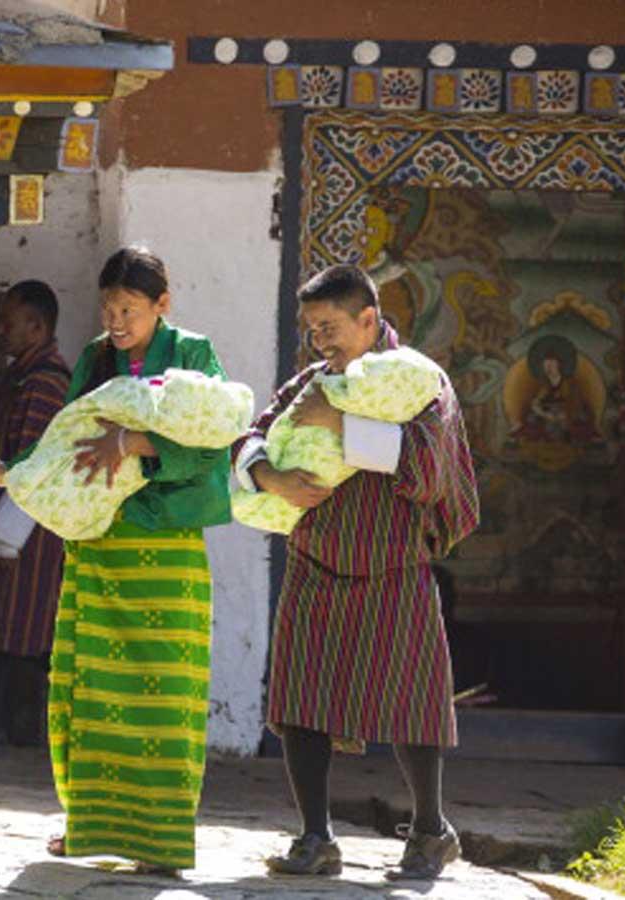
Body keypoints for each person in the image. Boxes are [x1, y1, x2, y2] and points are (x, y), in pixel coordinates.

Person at [0, 246, 231, 875]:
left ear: (162, 305)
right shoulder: (94, 357)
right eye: (110, 308)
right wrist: (15, 473)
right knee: (85, 689)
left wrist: (134, 440)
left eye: (131, 310)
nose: (117, 321)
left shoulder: (194, 356)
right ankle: (88, 826)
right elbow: (64, 437)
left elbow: (212, 442)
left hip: (165, 549)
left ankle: (160, 839)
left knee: (163, 695)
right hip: (96, 545)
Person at [232, 264, 479, 881]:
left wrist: (341, 425)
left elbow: (429, 470)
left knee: (413, 704)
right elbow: (254, 435)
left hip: (395, 562)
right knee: (299, 700)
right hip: (316, 559)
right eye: (313, 330)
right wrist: (270, 477)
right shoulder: (313, 383)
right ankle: (315, 837)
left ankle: (430, 830)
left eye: (332, 328)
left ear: (369, 319)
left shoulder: (420, 382)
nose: (322, 342)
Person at [0, 280, 72, 757]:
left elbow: (33, 463)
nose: (0, 330)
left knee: (3, 626)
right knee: (10, 625)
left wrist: (9, 537)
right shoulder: (22, 376)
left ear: (38, 326)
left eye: (10, 321)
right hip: (8, 525)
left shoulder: (46, 383)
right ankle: (15, 727)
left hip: (25, 529)